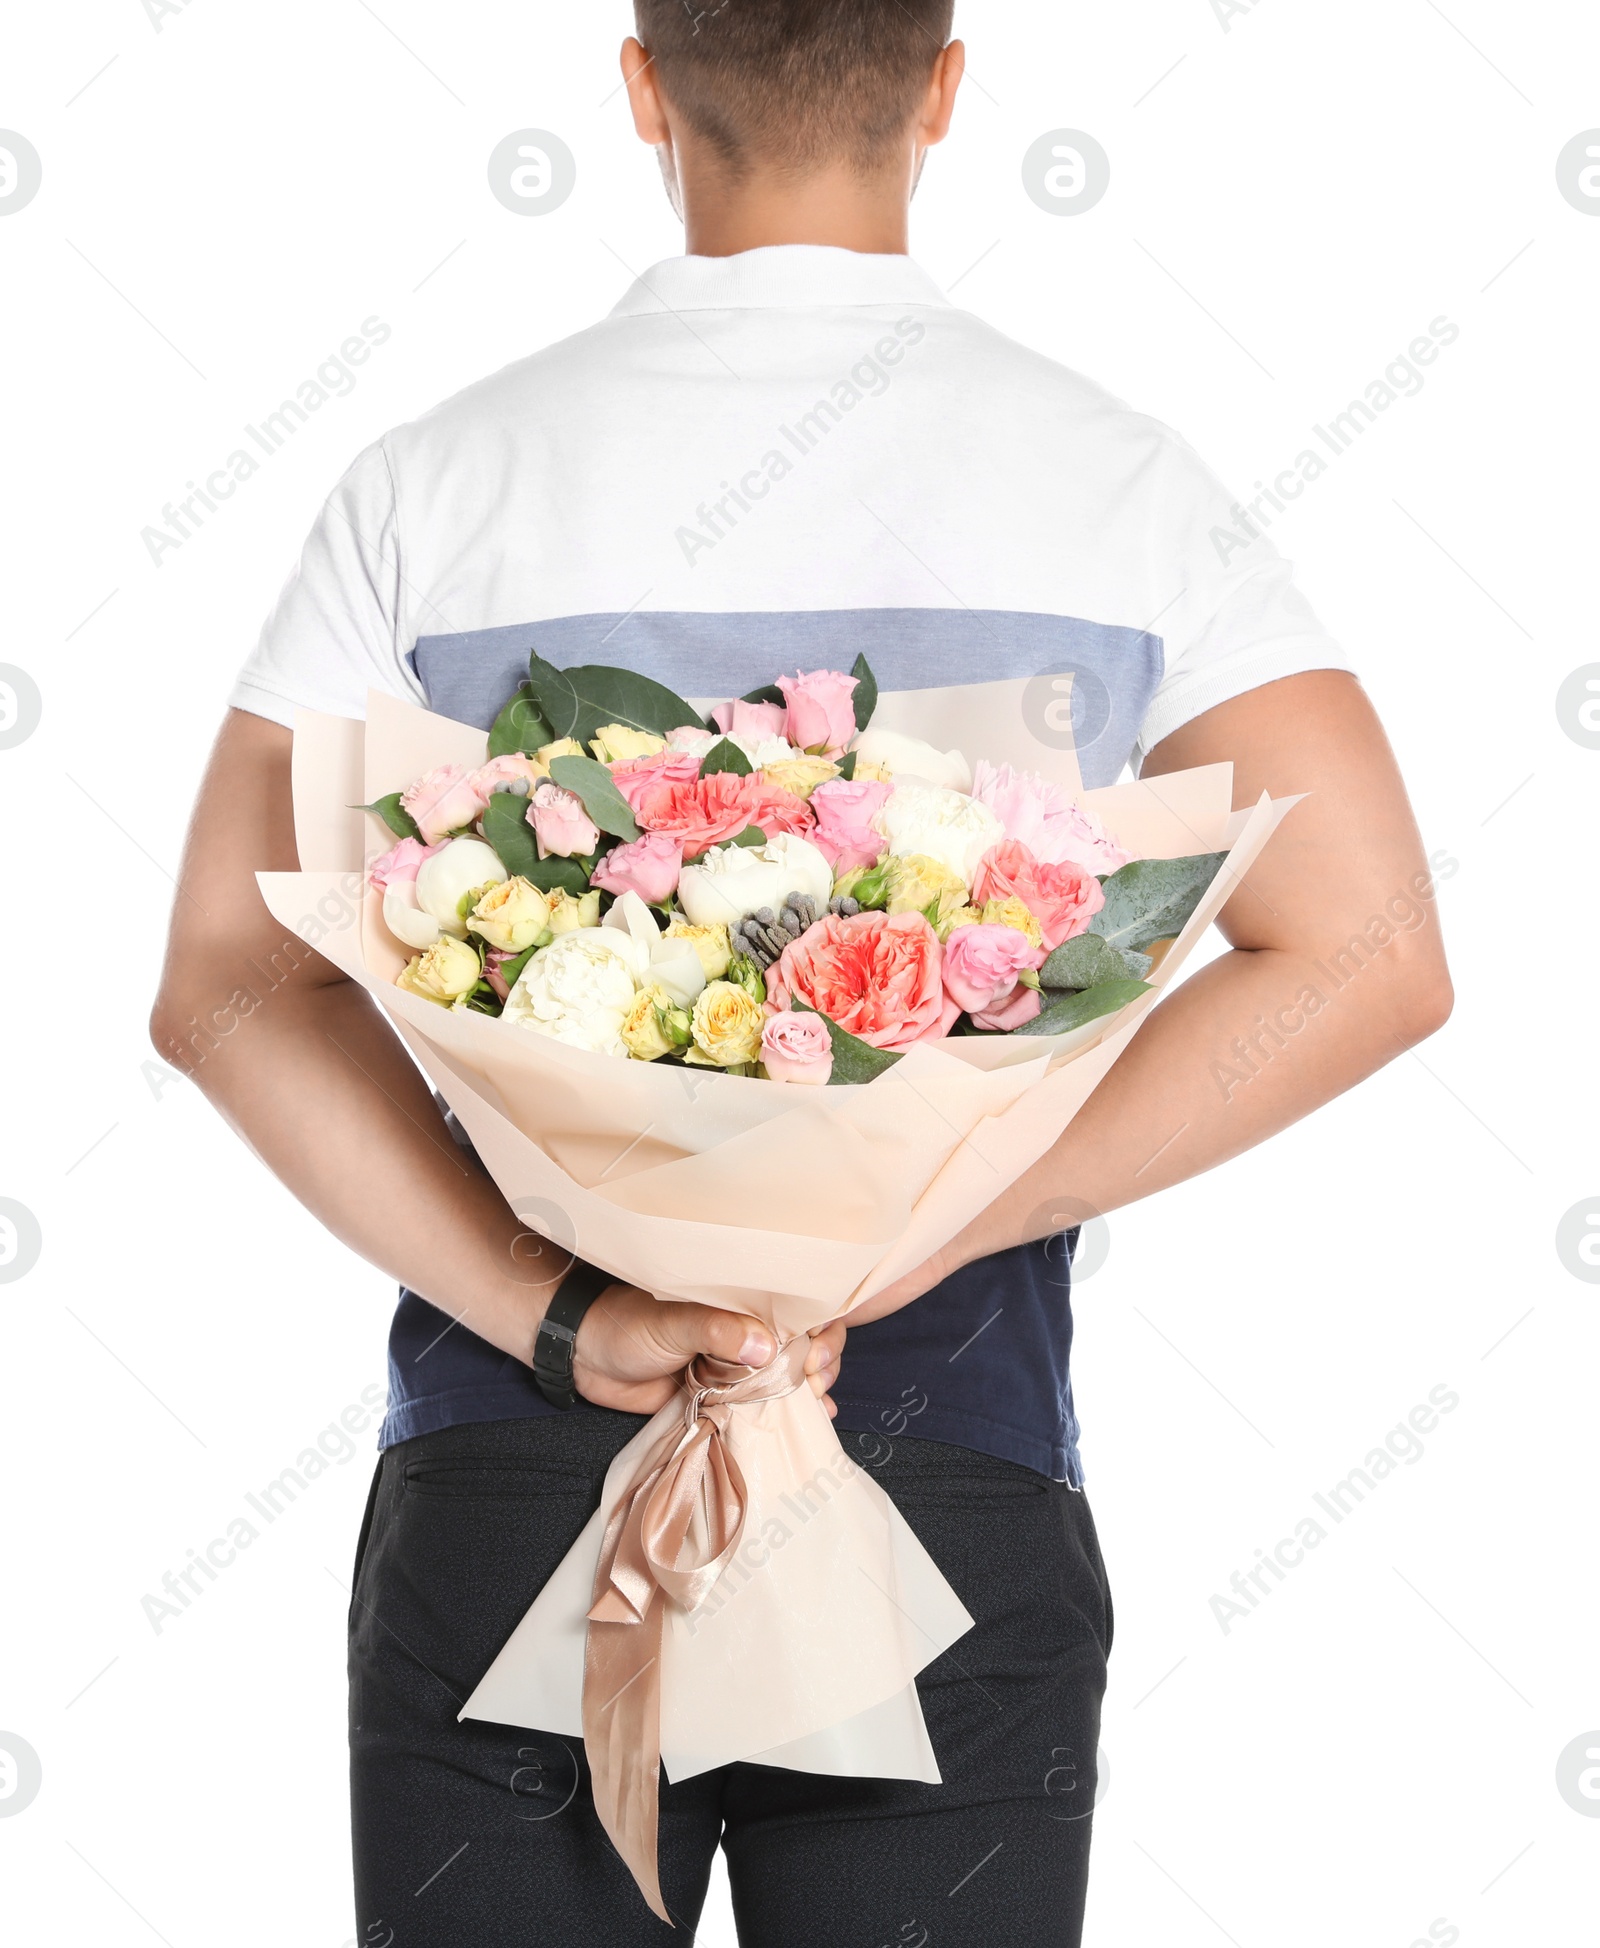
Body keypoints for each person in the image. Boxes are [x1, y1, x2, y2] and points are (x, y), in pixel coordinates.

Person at [150, 4, 1453, 1942]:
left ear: (641, 85)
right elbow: (1363, 948)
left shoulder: (439, 476)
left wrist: (555, 1313)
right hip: (938, 1456)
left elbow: (228, 988)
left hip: (520, 1481)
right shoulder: (1113, 478)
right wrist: (925, 1229)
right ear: (941, 88)